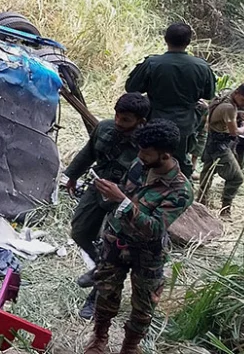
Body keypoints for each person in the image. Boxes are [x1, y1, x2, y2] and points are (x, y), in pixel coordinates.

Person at [85, 119, 192, 354]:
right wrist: (110, 194)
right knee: (106, 292)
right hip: (116, 241)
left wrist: (121, 200)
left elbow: (154, 227)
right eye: (140, 150)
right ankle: (99, 338)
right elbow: (126, 191)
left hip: (148, 252)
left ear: (165, 155)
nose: (140, 155)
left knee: (144, 305)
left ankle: (130, 346)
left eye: (146, 152)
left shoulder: (180, 190)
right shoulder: (140, 164)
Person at [64, 93, 151, 320]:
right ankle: (99, 267)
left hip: (126, 198)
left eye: (126, 119)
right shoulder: (104, 128)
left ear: (141, 121)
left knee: (112, 248)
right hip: (99, 187)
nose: (119, 122)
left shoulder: (148, 145)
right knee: (80, 232)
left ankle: (96, 296)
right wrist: (72, 176)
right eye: (118, 116)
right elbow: (88, 153)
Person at [125, 22, 216, 178]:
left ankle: (143, 187)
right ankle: (182, 188)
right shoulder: (202, 66)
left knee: (148, 157)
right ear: (188, 42)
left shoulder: (152, 63)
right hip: (185, 123)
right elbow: (209, 94)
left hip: (155, 120)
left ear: (166, 39)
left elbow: (132, 87)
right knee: (180, 160)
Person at [197, 84, 244, 218]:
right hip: (220, 145)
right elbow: (234, 131)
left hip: (211, 139)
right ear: (237, 93)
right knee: (237, 178)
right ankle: (225, 209)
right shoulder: (229, 107)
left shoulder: (226, 96)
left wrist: (238, 114)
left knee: (207, 172)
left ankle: (201, 201)